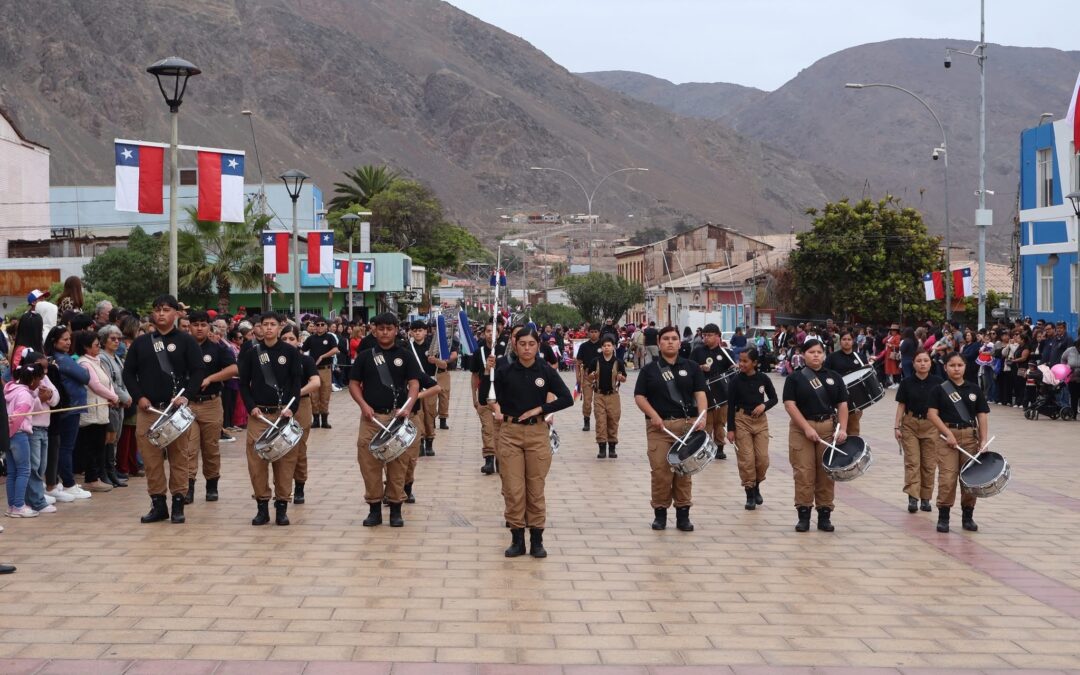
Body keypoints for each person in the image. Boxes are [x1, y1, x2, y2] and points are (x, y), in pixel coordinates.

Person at [122, 295, 205, 525]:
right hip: (148, 411)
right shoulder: (141, 343)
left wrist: (186, 396)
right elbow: (128, 373)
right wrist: (139, 396)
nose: (161, 314)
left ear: (176, 313)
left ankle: (178, 503)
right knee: (151, 460)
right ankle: (158, 504)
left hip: (175, 411)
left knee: (179, 458)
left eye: (166, 309)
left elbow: (198, 371)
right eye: (157, 309)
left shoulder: (186, 341)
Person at [491, 327, 573, 557]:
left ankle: (537, 539)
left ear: (538, 346)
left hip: (537, 433)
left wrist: (542, 409)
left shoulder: (545, 370)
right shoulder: (504, 370)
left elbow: (567, 398)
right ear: (515, 345)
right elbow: (485, 397)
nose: (527, 348)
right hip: (510, 433)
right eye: (523, 344)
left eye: (532, 344)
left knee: (535, 489)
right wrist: (489, 372)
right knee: (513, 489)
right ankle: (517, 539)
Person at [348, 312, 420, 528]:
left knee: (399, 464)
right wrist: (363, 405)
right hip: (372, 418)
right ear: (374, 330)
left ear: (396, 330)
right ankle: (374, 509)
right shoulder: (365, 356)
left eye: (389, 328)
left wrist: (407, 407)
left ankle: (396, 508)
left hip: (396, 417)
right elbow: (353, 383)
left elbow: (414, 383)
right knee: (369, 464)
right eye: (381, 328)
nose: (385, 332)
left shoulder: (405, 355)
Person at [633, 326, 708, 533]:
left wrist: (702, 416)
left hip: (687, 426)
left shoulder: (691, 367)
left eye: (674, 338)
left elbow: (700, 393)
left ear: (680, 342)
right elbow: (639, 396)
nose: (670, 342)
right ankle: (660, 513)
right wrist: (654, 415)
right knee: (661, 472)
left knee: (684, 472)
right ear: (659, 342)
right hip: (659, 428)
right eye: (665, 339)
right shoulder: (649, 370)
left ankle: (683, 514)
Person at [237, 312, 303, 526]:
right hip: (260, 415)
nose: (268, 328)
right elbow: (243, 383)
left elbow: (296, 382)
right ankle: (262, 506)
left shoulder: (289, 352)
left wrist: (292, 407)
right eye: (264, 325)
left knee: (285, 462)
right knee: (257, 462)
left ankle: (282, 507)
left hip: (283, 414)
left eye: (272, 324)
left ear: (280, 327)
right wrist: (251, 407)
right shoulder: (251, 351)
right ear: (258, 328)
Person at [782, 337, 848, 533]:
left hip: (827, 428)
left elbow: (843, 404)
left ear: (824, 354)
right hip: (802, 429)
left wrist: (842, 429)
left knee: (826, 473)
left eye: (819, 352)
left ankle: (825, 514)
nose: (816, 355)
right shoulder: (795, 378)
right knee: (804, 472)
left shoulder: (834, 377)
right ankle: (803, 514)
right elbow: (789, 404)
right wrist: (806, 428)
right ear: (803, 355)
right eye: (811, 352)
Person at [927, 351, 990, 533]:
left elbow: (982, 415)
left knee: (970, 479)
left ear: (965, 367)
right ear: (945, 367)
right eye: (952, 365)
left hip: (970, 437)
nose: (956, 369)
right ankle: (943, 516)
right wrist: (947, 433)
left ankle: (968, 516)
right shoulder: (939, 389)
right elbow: (932, 414)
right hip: (947, 438)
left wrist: (983, 439)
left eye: (960, 365)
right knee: (948, 478)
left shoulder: (974, 389)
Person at [182, 311, 238, 504]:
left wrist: (210, 378)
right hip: (187, 404)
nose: (199, 328)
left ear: (209, 327)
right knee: (188, 448)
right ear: (189, 326)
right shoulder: (182, 348)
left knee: (211, 448)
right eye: (195, 324)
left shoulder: (218, 349)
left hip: (211, 403)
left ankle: (212, 485)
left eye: (203, 324)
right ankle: (187, 487)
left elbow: (233, 369)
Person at [44, 326, 92, 502]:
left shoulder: (56, 358)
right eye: (64, 339)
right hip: (69, 408)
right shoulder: (62, 359)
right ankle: (69, 483)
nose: (68, 342)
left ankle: (59, 482)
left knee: (61, 447)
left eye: (69, 339)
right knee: (66, 447)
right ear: (54, 341)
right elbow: (85, 376)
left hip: (68, 407)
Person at [726, 348, 777, 510]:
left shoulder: (763, 378)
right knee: (747, 459)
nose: (741, 364)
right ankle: (749, 492)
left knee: (762, 459)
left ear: (755, 363)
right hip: (741, 420)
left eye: (745, 361)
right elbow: (730, 406)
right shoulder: (735, 380)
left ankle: (757, 485)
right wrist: (731, 429)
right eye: (740, 360)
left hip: (760, 421)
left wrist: (764, 405)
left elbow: (774, 398)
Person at [894, 350, 941, 514]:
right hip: (910, 424)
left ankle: (926, 498)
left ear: (930, 363)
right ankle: (913, 497)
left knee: (929, 464)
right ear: (913, 364)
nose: (922, 363)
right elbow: (901, 405)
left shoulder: (938, 382)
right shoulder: (906, 382)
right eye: (919, 361)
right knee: (912, 462)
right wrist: (896, 426)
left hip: (931, 426)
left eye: (926, 360)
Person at [74, 330, 120, 493]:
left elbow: (106, 383)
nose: (98, 346)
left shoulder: (97, 360)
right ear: (86, 347)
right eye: (95, 344)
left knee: (99, 445)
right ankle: (91, 478)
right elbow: (95, 385)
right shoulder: (84, 363)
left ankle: (98, 476)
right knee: (91, 446)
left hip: (101, 409)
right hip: (92, 410)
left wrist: (112, 396)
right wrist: (114, 397)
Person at [280, 324, 320, 505]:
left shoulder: (306, 360)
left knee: (299, 447)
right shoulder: (275, 358)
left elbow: (316, 382)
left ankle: (299, 485)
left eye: (291, 339)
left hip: (301, 405)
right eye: (284, 339)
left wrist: (297, 393)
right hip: (278, 407)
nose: (288, 342)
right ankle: (281, 487)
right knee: (280, 447)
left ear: (299, 340)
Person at [5, 360, 46, 517]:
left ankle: (12, 506)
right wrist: (11, 433)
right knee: (24, 470)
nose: (40, 382)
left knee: (13, 472)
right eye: (39, 379)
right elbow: (17, 417)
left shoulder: (12, 390)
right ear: (32, 379)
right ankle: (19, 506)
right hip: (18, 435)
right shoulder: (24, 395)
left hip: (9, 437)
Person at [689, 323, 734, 460]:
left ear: (718, 336)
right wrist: (700, 367)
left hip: (722, 393)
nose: (706, 338)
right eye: (705, 335)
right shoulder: (698, 351)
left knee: (720, 422)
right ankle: (706, 448)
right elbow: (689, 366)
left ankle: (720, 448)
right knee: (706, 422)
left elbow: (732, 371)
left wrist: (734, 367)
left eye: (709, 335)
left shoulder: (726, 353)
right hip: (704, 393)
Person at [587, 334, 626, 459]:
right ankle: (602, 447)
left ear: (614, 347)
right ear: (601, 347)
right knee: (600, 421)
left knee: (613, 421)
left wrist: (621, 378)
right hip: (599, 395)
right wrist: (592, 375)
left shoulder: (618, 362)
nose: (606, 348)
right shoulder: (595, 361)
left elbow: (624, 378)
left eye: (609, 345)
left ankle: (612, 447)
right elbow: (589, 376)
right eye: (604, 346)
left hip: (613, 396)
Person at [824, 330, 869, 436]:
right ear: (840, 341)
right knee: (837, 428)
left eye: (849, 339)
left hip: (856, 399)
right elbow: (825, 375)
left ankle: (853, 448)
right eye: (844, 339)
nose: (846, 342)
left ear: (853, 341)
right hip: (838, 397)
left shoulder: (860, 357)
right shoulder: (832, 357)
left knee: (853, 428)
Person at [406, 320, 440, 456]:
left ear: (425, 332)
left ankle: (429, 442)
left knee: (430, 414)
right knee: (417, 415)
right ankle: (419, 442)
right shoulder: (407, 347)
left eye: (420, 330)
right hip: (414, 385)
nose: (417, 333)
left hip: (430, 384)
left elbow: (444, 365)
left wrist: (436, 360)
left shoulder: (432, 347)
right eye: (414, 331)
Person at [471, 324, 499, 475]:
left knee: (499, 430)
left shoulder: (505, 352)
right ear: (484, 334)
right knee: (487, 429)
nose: (491, 335)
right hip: (484, 396)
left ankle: (501, 459)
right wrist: (474, 397)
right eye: (488, 331)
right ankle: (489, 459)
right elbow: (475, 376)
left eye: (494, 332)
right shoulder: (479, 353)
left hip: (501, 398)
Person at [303, 317, 338, 429]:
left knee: (325, 393)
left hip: (325, 369)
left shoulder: (330, 337)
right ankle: (316, 420)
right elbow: (302, 349)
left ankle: (324, 420)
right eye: (317, 325)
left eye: (322, 324)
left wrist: (323, 356)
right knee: (314, 395)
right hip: (313, 370)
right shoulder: (311, 338)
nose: (320, 327)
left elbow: (335, 350)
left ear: (326, 326)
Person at [575, 325, 602, 432]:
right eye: (591, 331)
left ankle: (600, 422)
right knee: (587, 401)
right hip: (587, 376)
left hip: (601, 376)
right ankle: (586, 421)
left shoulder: (603, 345)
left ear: (599, 333)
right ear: (588, 333)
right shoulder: (584, 346)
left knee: (599, 402)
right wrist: (578, 376)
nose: (594, 334)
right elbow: (578, 362)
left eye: (596, 331)